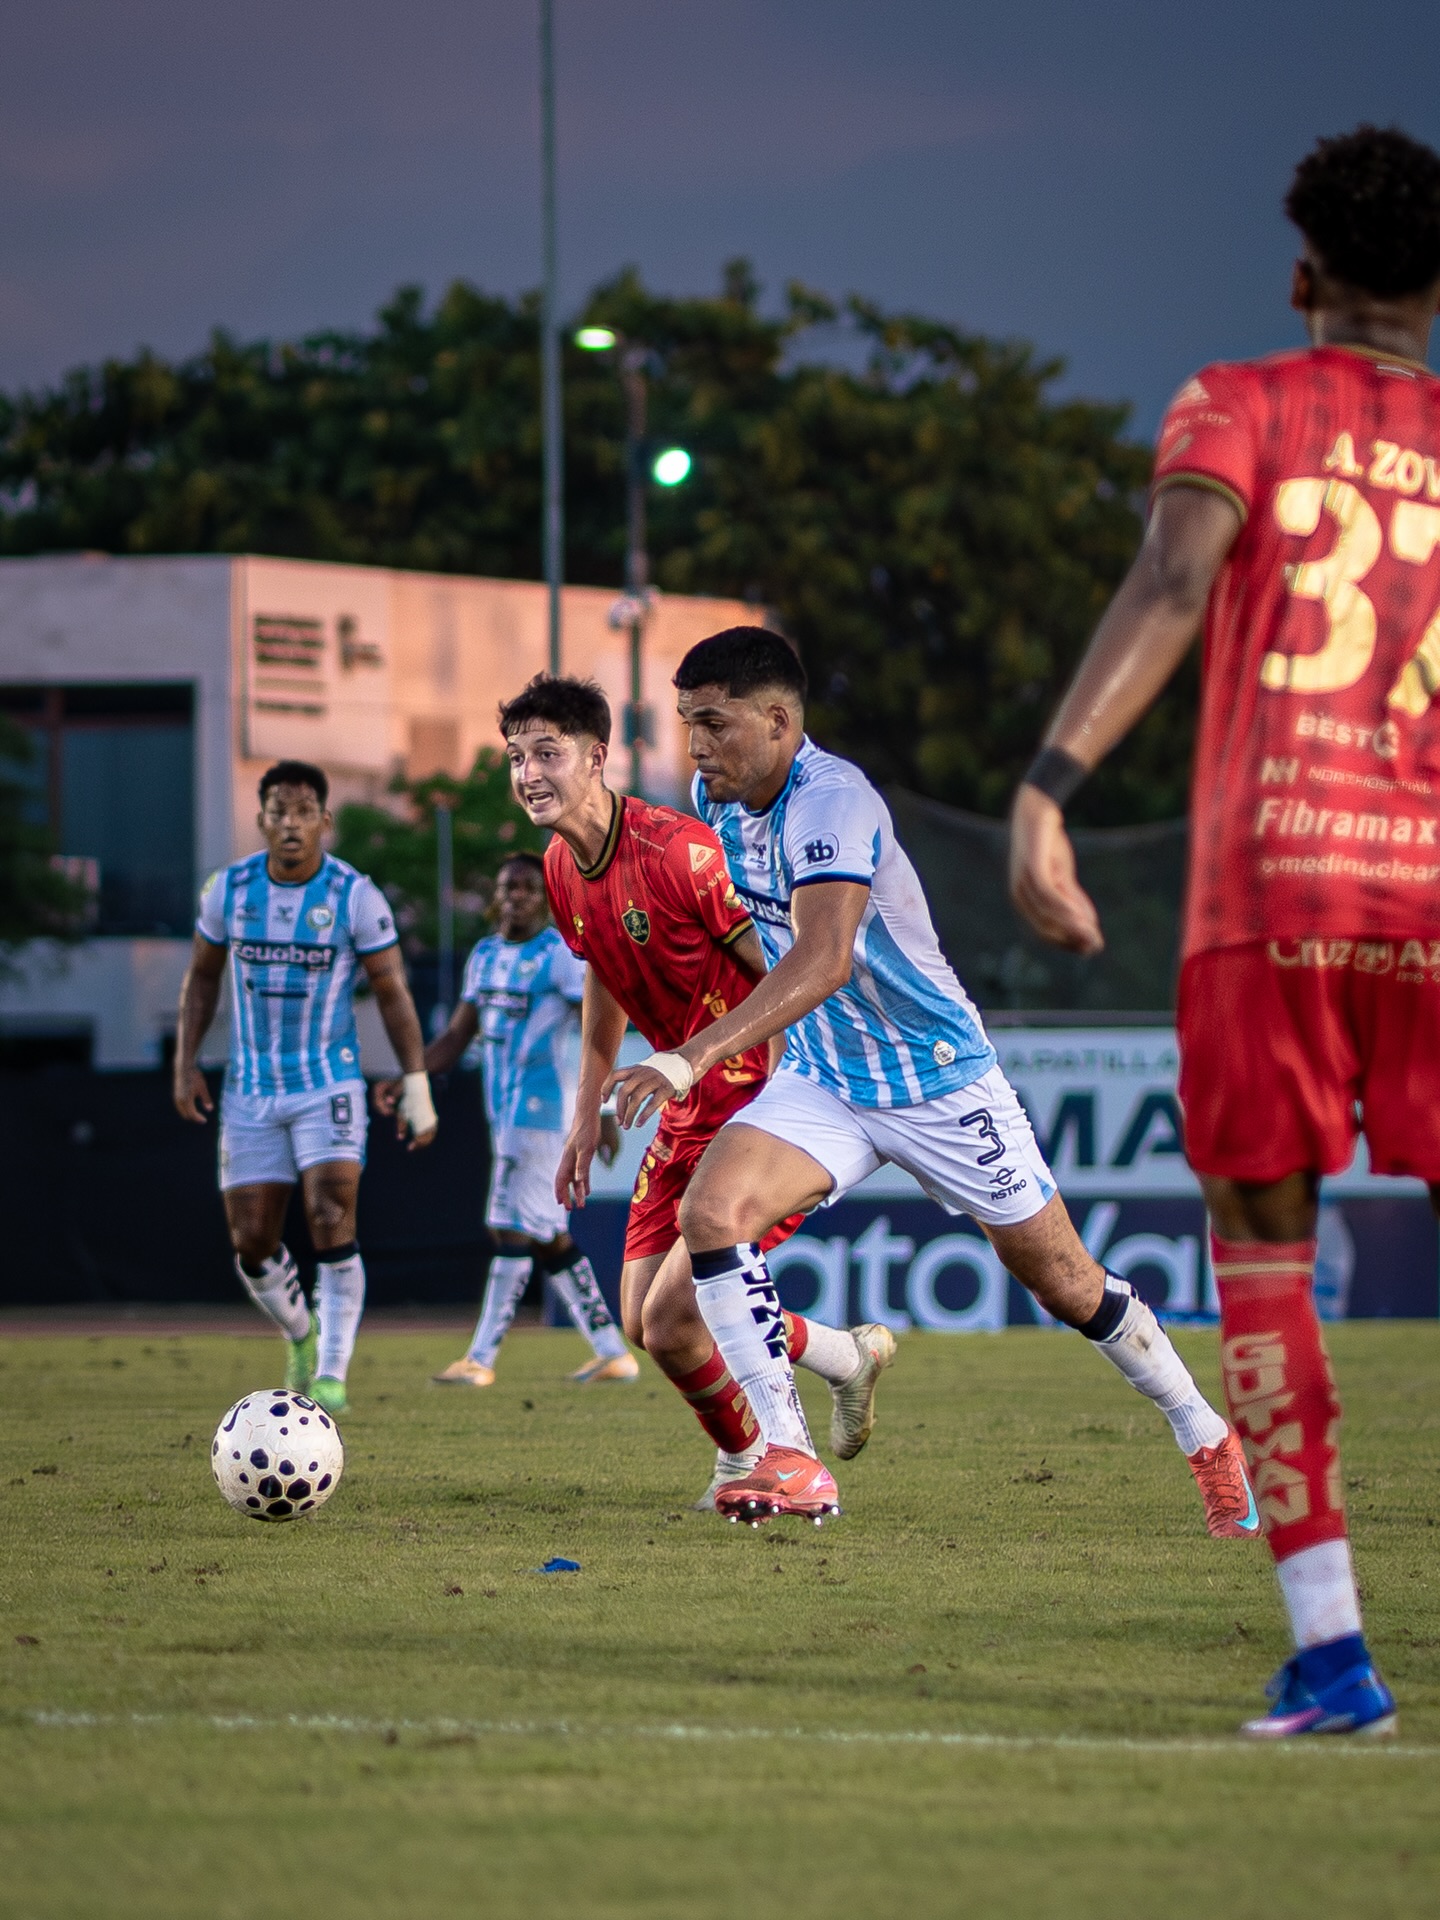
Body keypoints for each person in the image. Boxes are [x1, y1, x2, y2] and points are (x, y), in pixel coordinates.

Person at [1009, 125, 1440, 1739]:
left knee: (1264, 1265)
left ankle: (1334, 1659)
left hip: (1269, 897)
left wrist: (1051, 783)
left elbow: (1176, 576)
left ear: (1302, 273)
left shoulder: (1241, 404)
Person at [606, 627, 1253, 1540]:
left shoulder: (831, 800)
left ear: (779, 720)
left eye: (713, 723)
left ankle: (1205, 1434)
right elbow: (772, 957)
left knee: (1066, 1282)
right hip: (829, 1082)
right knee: (710, 1215)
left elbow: (825, 955)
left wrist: (692, 1053)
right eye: (686, 724)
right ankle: (787, 1454)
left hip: (941, 1084)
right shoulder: (726, 814)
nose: (696, 745)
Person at [499, 673, 896, 1509]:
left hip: (756, 1098)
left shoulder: (678, 852)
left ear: (597, 757)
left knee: (678, 1316)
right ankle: (838, 1359)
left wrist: (785, 1098)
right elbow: (603, 970)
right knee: (646, 1322)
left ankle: (754, 1460)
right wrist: (586, 1112)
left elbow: (780, 969)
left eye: (548, 753)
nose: (529, 773)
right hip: (682, 1106)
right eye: (516, 757)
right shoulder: (560, 868)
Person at [174, 759, 437, 1413]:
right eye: (277, 811)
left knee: (330, 1217)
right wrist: (185, 1062)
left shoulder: (354, 895)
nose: (289, 824)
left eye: (302, 812)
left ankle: (331, 1374)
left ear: (324, 820)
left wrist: (418, 1084)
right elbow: (202, 978)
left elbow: (393, 992)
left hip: (329, 1086)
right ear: (260, 819)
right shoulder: (227, 891)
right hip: (250, 1091)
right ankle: (299, 1331)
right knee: (253, 1243)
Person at [378, 851, 637, 1386]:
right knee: (547, 1236)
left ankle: (481, 1359)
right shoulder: (486, 956)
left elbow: (600, 1029)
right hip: (503, 1114)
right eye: (508, 886)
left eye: (527, 887)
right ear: (498, 896)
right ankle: (613, 1352)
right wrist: (412, 1079)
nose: (517, 896)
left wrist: (603, 1108)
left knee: (510, 1229)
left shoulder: (561, 956)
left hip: (542, 1113)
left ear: (545, 898)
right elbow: (455, 1036)